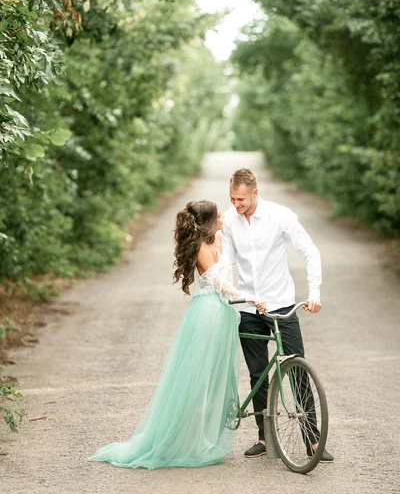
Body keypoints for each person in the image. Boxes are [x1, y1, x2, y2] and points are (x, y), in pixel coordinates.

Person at [88, 199, 263, 469]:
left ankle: (205, 437)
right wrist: (250, 299)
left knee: (216, 376)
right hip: (208, 315)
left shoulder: (218, 237)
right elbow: (221, 286)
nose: (223, 218)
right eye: (219, 215)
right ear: (207, 222)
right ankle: (190, 441)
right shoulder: (203, 249)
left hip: (224, 315)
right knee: (199, 380)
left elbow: (239, 226)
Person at [222, 168, 334, 463]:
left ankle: (312, 441)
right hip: (249, 307)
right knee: (259, 374)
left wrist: (315, 292)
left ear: (255, 193)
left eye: (242, 199)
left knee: (298, 371)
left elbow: (310, 251)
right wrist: (223, 291)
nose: (237, 205)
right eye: (233, 199)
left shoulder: (280, 216)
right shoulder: (230, 220)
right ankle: (263, 436)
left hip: (282, 305)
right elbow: (228, 260)